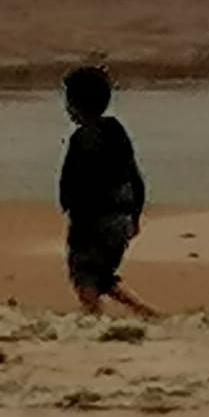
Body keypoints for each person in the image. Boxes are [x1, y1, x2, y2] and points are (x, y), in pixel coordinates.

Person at [58, 65, 157, 317]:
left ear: (75, 104)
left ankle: (94, 316)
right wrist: (135, 215)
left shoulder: (81, 138)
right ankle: (143, 311)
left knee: (83, 273)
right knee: (102, 275)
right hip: (120, 218)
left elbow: (72, 181)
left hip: (92, 221)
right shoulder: (116, 131)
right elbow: (135, 176)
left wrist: (68, 204)